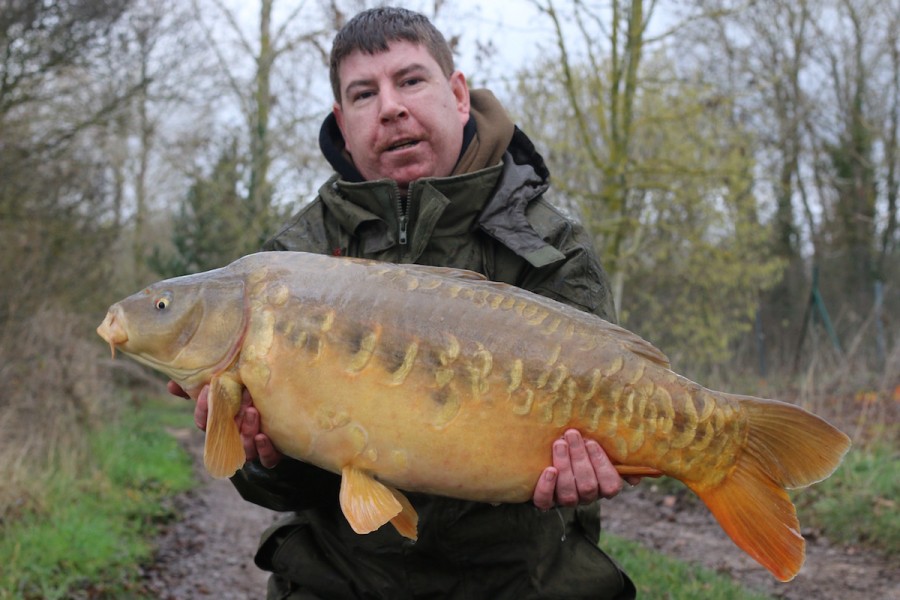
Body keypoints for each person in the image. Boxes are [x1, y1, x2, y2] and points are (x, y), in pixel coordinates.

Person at [172, 7, 637, 599]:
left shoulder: (548, 243)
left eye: (411, 80)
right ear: (342, 123)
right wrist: (266, 458)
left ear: (459, 94)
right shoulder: (294, 259)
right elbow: (274, 489)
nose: (390, 107)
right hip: (341, 580)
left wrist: (590, 468)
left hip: (521, 581)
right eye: (363, 93)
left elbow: (604, 417)